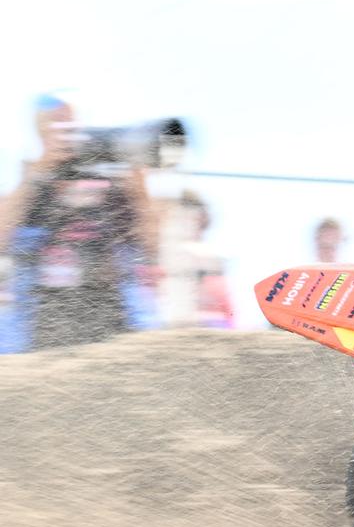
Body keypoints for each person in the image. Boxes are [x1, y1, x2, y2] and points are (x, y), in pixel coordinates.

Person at [0, 93, 161, 352]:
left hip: (114, 321)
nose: (67, 131)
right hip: (46, 326)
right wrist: (40, 171)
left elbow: (153, 248)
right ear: (41, 131)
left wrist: (139, 186)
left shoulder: (111, 179)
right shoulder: (32, 181)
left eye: (71, 122)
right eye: (58, 123)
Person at [158, 190, 234, 328]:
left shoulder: (212, 264)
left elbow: (228, 316)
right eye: (178, 220)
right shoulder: (153, 265)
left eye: (194, 221)